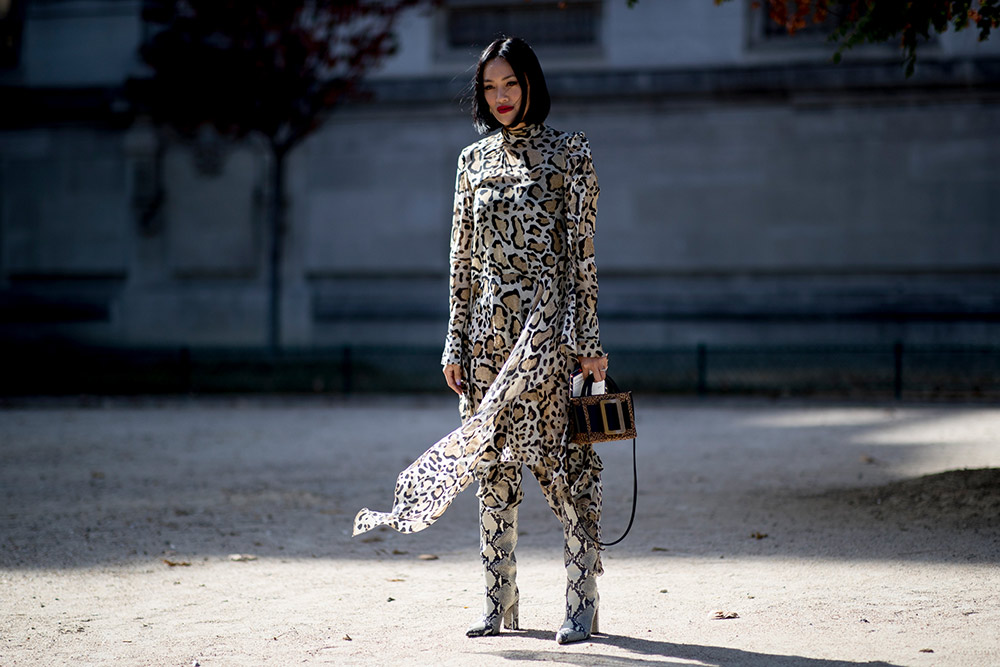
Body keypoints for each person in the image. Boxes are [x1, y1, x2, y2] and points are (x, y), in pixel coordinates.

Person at [354, 36, 608, 645]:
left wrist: (589, 341)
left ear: (531, 86)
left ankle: (582, 602)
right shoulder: (472, 162)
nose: (501, 97)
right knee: (492, 472)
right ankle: (500, 603)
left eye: (511, 85)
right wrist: (454, 344)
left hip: (548, 333)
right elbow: (461, 263)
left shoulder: (569, 152)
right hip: (488, 340)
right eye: (491, 87)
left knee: (562, 468)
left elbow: (583, 258)